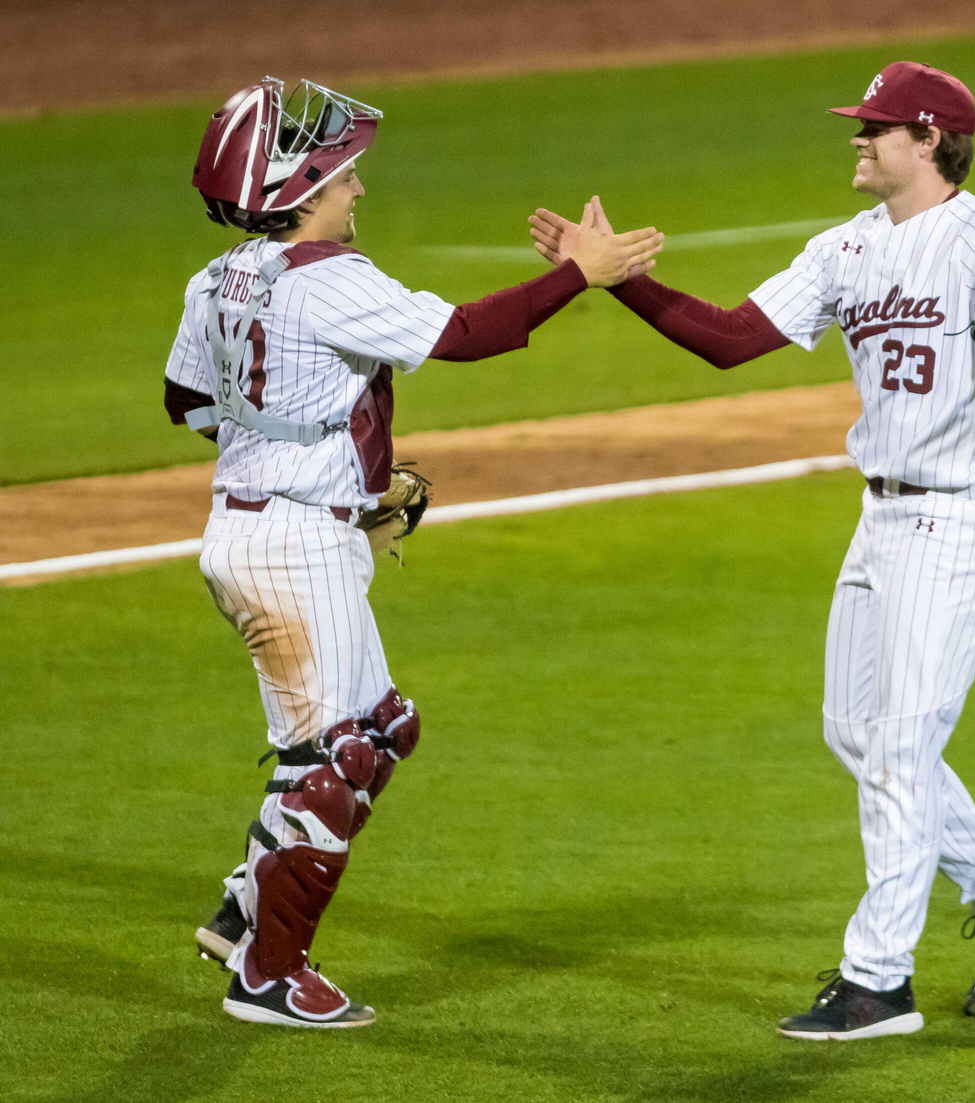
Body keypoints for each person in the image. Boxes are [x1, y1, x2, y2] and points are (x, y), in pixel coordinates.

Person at [530, 61, 975, 1040]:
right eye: (859, 127)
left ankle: (877, 980)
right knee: (855, 732)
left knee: (900, 749)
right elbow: (732, 338)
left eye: (876, 129)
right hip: (882, 517)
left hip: (961, 520)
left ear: (928, 141)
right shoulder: (843, 249)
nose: (857, 141)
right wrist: (620, 282)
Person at [164, 76, 662, 1028]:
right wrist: (580, 274)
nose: (357, 190)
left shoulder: (214, 279)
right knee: (338, 758)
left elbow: (188, 406)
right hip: (294, 547)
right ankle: (270, 976)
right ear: (299, 184)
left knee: (384, 728)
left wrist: (323, 468)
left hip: (258, 526)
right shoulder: (335, 280)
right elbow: (470, 334)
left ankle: (247, 907)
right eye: (344, 176)